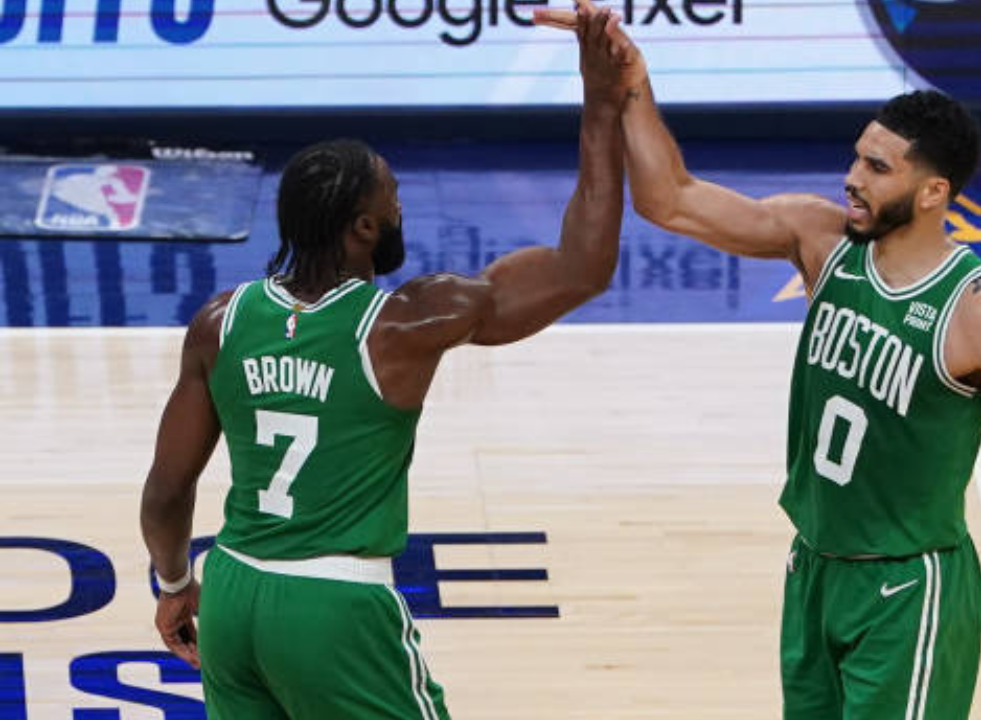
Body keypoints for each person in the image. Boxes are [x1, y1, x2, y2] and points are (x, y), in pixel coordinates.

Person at [534, 4, 981, 718]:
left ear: (933, 193)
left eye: (877, 168)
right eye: (858, 157)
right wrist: (633, 84)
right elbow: (669, 201)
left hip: (908, 593)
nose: (852, 178)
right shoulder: (821, 240)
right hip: (813, 571)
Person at [138, 7, 626, 718]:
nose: (401, 207)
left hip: (235, 591)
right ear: (365, 226)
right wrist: (602, 102)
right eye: (393, 197)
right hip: (335, 604)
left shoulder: (220, 321)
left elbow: (165, 489)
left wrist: (175, 582)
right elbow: (583, 267)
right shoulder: (403, 323)